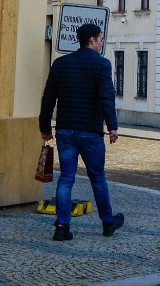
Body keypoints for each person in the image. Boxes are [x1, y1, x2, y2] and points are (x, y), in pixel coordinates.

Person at [37, 22, 124, 242]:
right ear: (92, 40)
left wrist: (45, 127)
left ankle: (62, 227)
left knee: (66, 178)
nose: (102, 43)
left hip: (65, 132)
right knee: (97, 177)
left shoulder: (60, 64)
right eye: (101, 39)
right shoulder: (101, 65)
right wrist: (112, 126)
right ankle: (107, 222)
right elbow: (107, 97)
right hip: (90, 134)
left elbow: (48, 98)